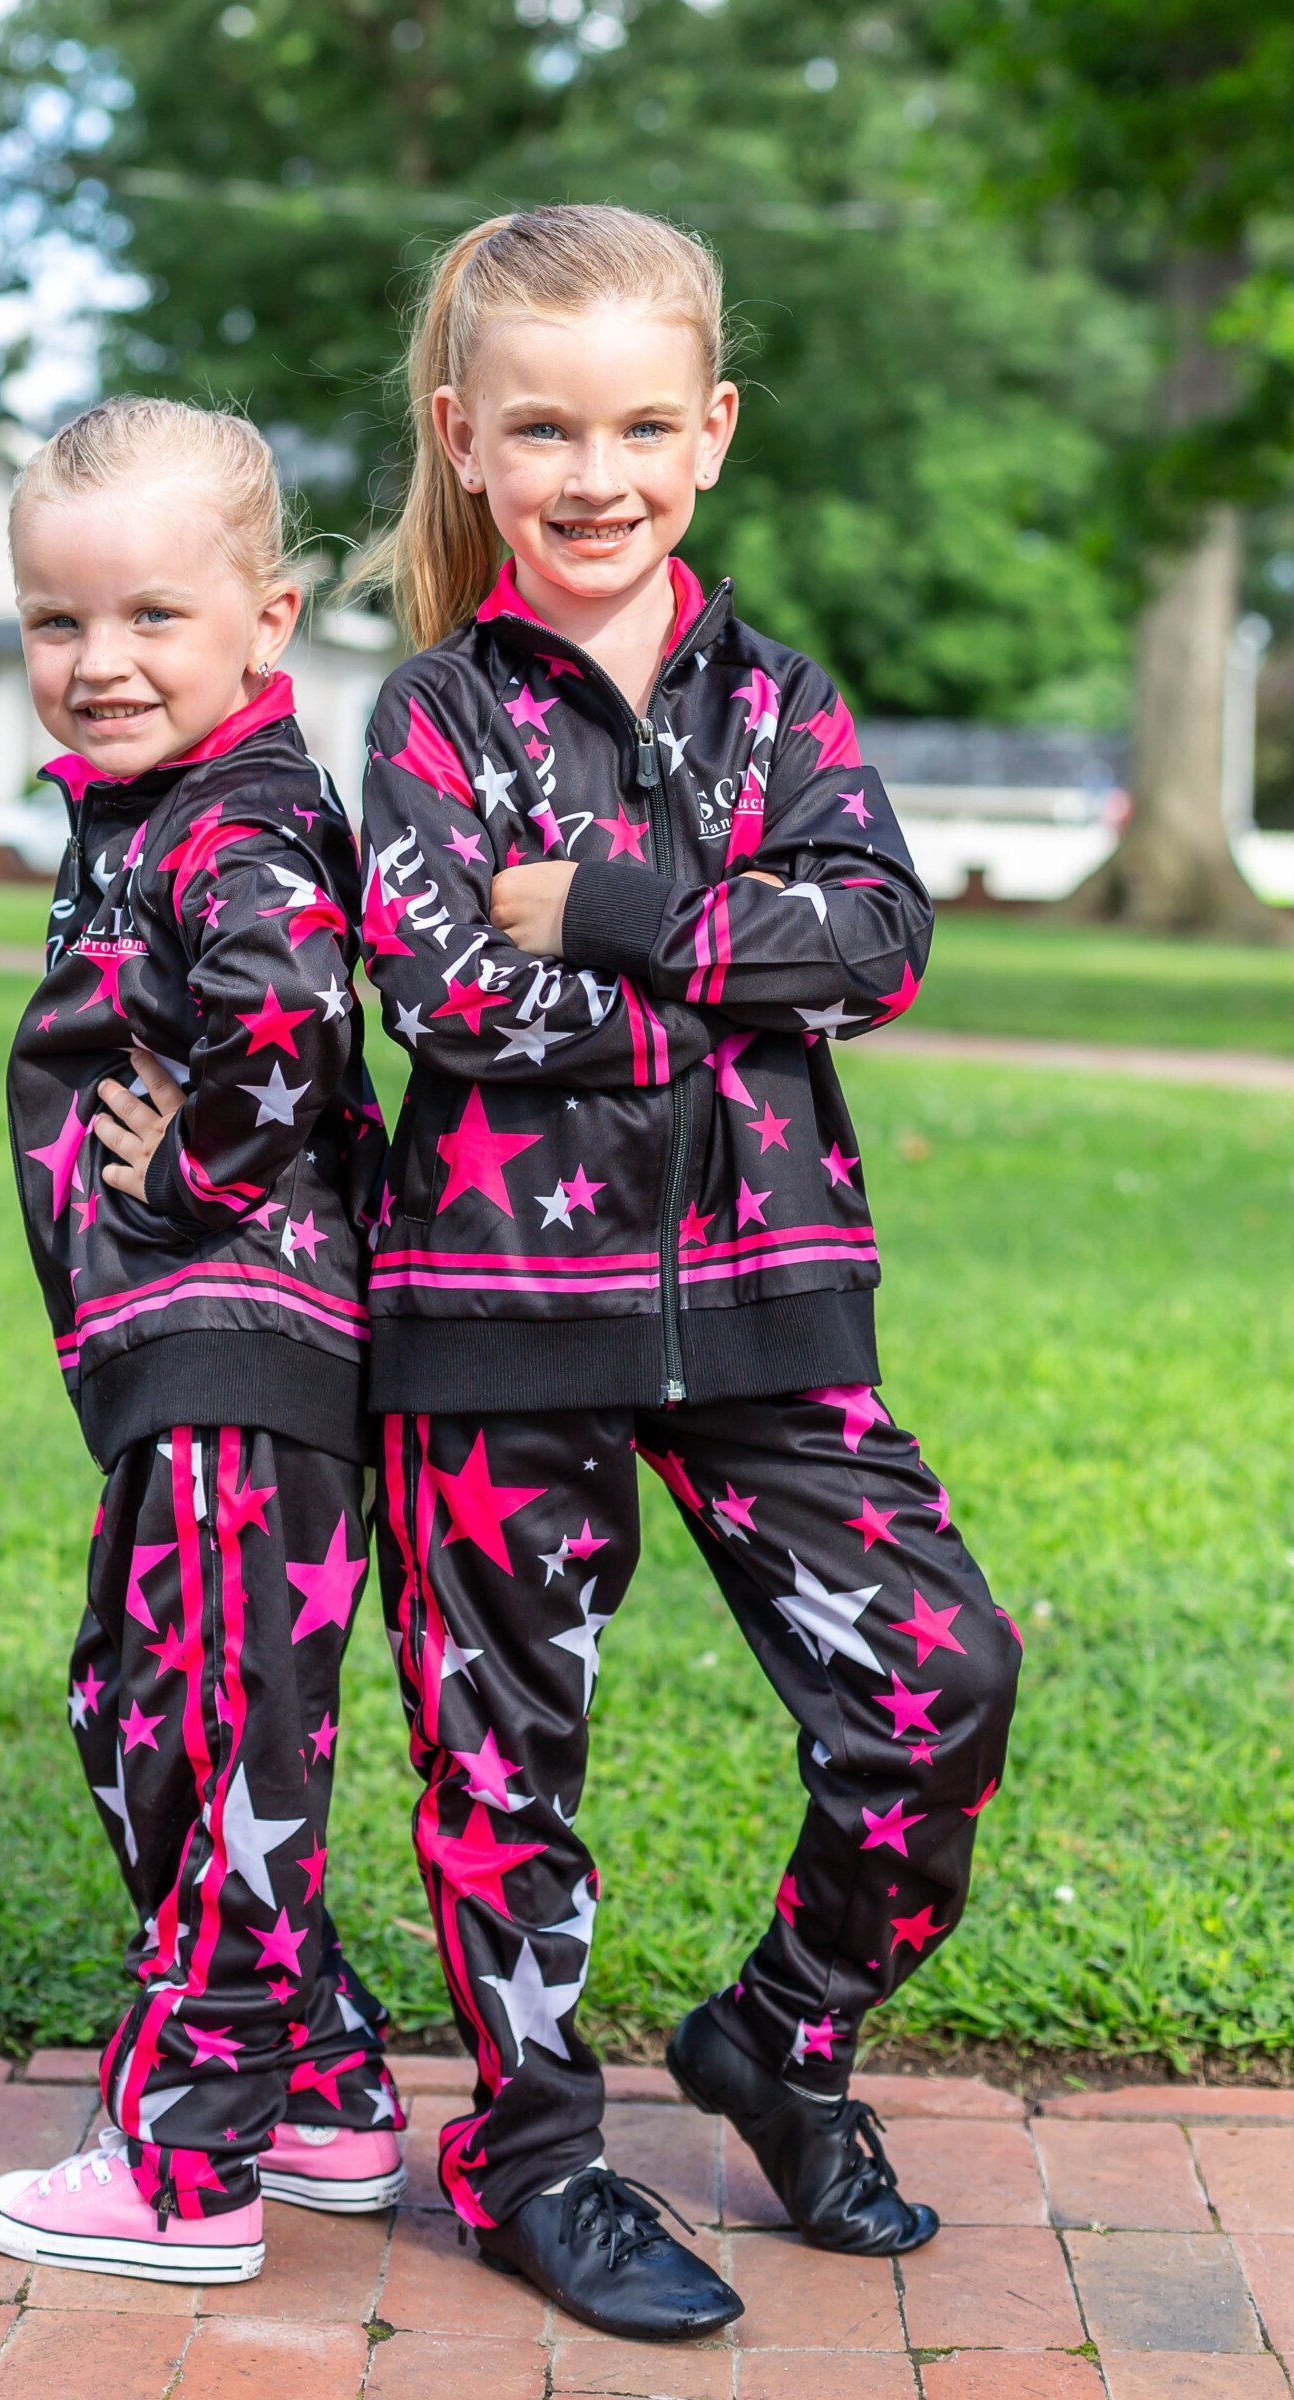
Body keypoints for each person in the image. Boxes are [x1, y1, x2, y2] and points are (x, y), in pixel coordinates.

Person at [357, 205, 1021, 2344]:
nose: (596, 474)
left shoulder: (779, 699)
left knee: (944, 1680)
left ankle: (784, 2036)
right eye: (544, 429)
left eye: (643, 425)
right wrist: (735, 968)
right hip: (489, 1321)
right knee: (506, 1764)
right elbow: (447, 997)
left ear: (713, 431)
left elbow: (882, 942)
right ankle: (534, 2154)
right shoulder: (433, 715)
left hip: (772, 1307)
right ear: (465, 439)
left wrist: (612, 906)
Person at [0, 396, 403, 2290]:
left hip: (245, 1349)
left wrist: (198, 1166)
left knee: (213, 1731)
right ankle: (323, 2088)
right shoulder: (153, 809)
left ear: (267, 620)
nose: (102, 660)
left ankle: (186, 2160)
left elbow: (289, 1008)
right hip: (183, 1358)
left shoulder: (238, 819)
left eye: (153, 615)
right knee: (142, 1705)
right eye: (58, 621)